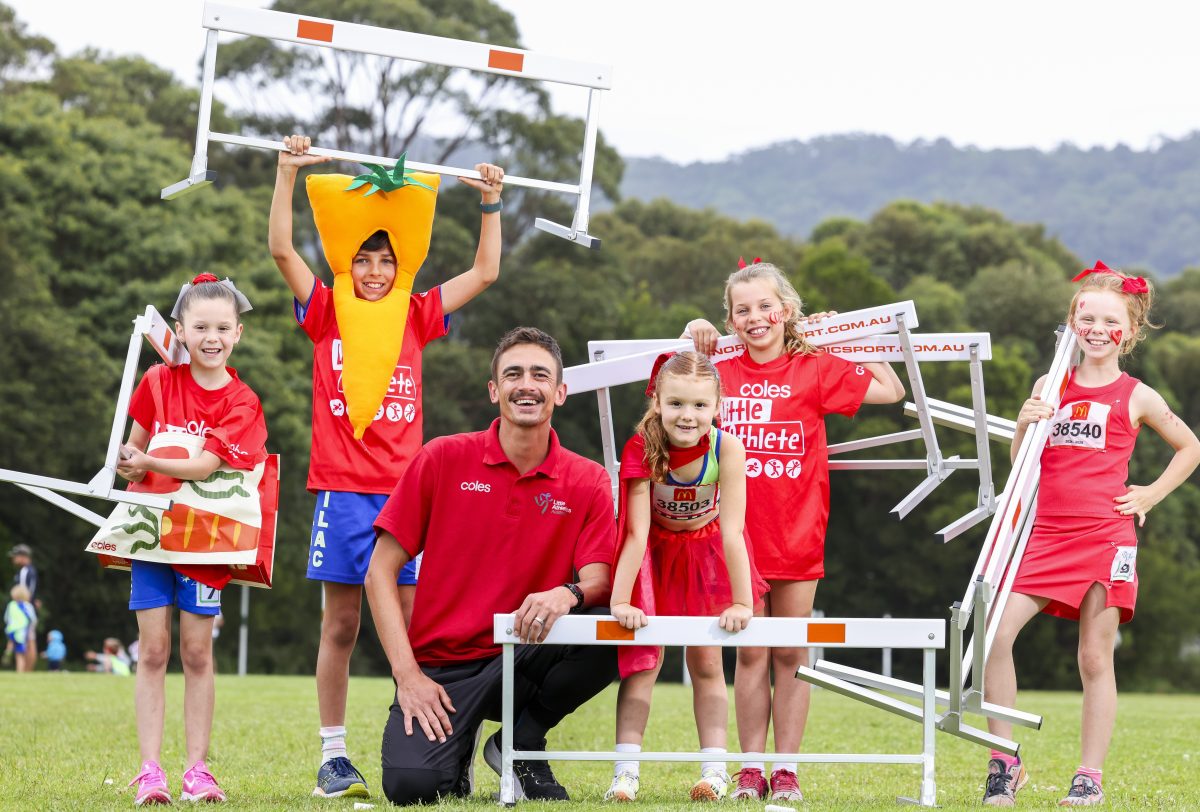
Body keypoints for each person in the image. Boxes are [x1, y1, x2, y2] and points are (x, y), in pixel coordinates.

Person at [270, 135, 505, 799]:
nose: (373, 270)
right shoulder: (325, 311)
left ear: (399, 265)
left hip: (409, 498)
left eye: (385, 260)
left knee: (420, 627)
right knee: (341, 624)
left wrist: (490, 202)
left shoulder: (416, 312)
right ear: (348, 261)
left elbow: (484, 274)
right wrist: (287, 174)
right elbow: (283, 250)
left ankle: (437, 744)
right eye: (363, 259)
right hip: (343, 493)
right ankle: (333, 755)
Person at [365, 327, 618, 805]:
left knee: (606, 633)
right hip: (443, 669)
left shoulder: (587, 480)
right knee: (410, 789)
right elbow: (380, 570)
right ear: (494, 390)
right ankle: (454, 753)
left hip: (523, 651)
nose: (527, 384)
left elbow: (600, 579)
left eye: (540, 375)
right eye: (513, 374)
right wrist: (408, 677)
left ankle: (520, 743)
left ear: (560, 392)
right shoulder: (442, 457)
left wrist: (567, 593)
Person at [981, 262, 1199, 808]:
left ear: (1129, 330)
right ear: (1073, 321)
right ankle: (1004, 763)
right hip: (1045, 536)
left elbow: (1191, 447)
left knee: (1094, 659)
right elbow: (1020, 465)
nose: (1097, 328)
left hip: (1106, 538)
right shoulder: (1049, 386)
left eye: (1110, 320)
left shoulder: (1138, 395)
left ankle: (1089, 776)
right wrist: (1028, 423)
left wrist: (1149, 494)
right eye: (1087, 317)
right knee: (994, 635)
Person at [686, 260, 906, 801]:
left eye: (766, 306)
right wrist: (693, 337)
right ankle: (751, 769)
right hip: (734, 540)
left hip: (797, 535)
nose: (755, 318)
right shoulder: (718, 370)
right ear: (732, 320)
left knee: (790, 654)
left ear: (786, 310)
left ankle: (786, 771)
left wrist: (844, 337)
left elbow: (891, 389)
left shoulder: (813, 366)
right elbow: (673, 395)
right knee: (751, 654)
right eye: (742, 310)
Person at [116, 273, 268, 805]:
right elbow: (130, 448)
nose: (212, 336)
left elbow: (204, 467)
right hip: (152, 534)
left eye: (223, 327)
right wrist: (128, 465)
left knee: (196, 651)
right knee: (153, 650)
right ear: (179, 329)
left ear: (238, 333)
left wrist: (149, 461)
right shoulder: (158, 381)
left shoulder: (243, 401)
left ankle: (197, 771)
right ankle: (150, 770)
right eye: (200, 325)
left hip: (204, 538)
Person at [605, 351, 769, 802]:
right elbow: (636, 532)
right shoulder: (641, 445)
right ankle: (625, 773)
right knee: (643, 663)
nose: (688, 415)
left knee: (706, 660)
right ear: (656, 401)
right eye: (676, 403)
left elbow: (734, 531)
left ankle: (714, 771)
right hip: (654, 554)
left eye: (700, 405)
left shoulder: (726, 447)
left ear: (717, 406)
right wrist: (622, 600)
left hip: (706, 551)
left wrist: (741, 602)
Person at [9, 544, 39, 663]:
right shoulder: (31, 570)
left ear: (22, 556)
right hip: (29, 609)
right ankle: (27, 671)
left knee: (28, 641)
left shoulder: (25, 571)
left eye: (15, 556)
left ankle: (26, 670)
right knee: (30, 640)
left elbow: (23, 593)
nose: (13, 559)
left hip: (24, 611)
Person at [3, 584, 36, 672]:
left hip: (11, 630)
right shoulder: (27, 606)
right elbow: (33, 620)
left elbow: (6, 618)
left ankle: (8, 650)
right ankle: (21, 671)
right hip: (22, 632)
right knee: (21, 654)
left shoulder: (11, 605)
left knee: (13, 645)